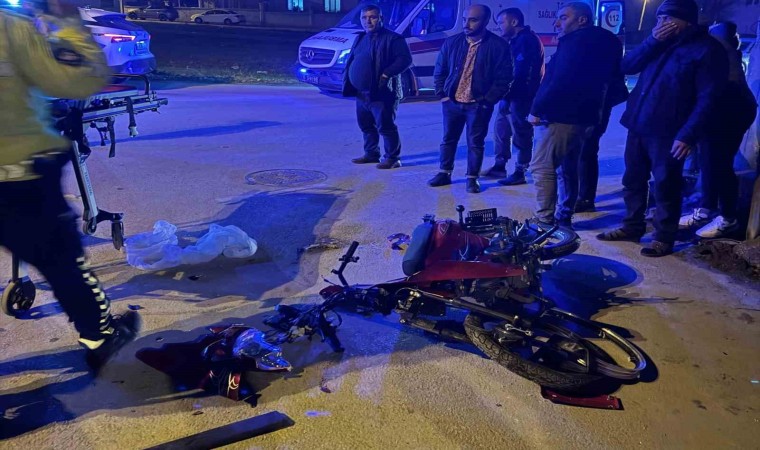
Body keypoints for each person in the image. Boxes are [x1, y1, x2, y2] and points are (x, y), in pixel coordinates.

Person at [0, 0, 141, 372]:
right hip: (18, 176)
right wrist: (66, 21)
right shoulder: (9, 28)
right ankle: (101, 336)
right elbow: (78, 80)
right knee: (62, 259)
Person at [596, 0, 728, 257]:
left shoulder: (707, 49)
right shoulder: (658, 43)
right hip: (639, 123)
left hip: (670, 130)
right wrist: (652, 41)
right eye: (659, 19)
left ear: (686, 21)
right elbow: (626, 66)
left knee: (666, 184)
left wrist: (688, 134)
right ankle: (632, 226)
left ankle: (663, 238)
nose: (661, 24)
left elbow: (709, 98)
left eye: (667, 19)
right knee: (632, 179)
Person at [527, 2, 623, 227]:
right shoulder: (609, 42)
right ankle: (564, 214)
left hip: (562, 116)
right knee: (568, 165)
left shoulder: (575, 42)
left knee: (542, 166)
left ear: (582, 20)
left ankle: (544, 220)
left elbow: (559, 80)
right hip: (588, 115)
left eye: (563, 18)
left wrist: (536, 110)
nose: (556, 23)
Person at [679, 21, 757, 238]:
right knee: (709, 161)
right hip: (724, 108)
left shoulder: (720, 52)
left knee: (719, 163)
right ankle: (706, 209)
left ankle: (727, 218)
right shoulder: (720, 49)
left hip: (729, 109)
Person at [429, 4, 512, 193]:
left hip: (478, 105)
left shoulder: (498, 46)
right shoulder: (452, 42)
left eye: (473, 20)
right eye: (465, 19)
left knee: (475, 143)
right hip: (452, 102)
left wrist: (487, 101)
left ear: (485, 21)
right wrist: (442, 95)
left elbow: (504, 78)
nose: (466, 24)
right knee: (448, 139)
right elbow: (440, 70)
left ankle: (472, 178)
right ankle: (444, 173)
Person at [343, 4, 413, 169]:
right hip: (361, 93)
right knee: (366, 126)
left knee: (386, 126)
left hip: (382, 92)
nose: (368, 21)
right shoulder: (361, 37)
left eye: (372, 17)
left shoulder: (393, 39)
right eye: (364, 18)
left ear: (381, 18)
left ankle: (392, 158)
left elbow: (405, 60)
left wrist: (386, 74)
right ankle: (371, 154)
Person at [482, 7, 544, 186]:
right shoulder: (513, 40)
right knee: (501, 131)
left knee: (521, 133)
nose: (499, 26)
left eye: (502, 22)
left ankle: (520, 171)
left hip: (521, 97)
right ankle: (499, 166)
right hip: (508, 96)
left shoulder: (527, 40)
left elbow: (523, 72)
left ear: (514, 22)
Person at [575, 69, 629, 213]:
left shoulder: (603, 55)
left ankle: (585, 198)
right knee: (584, 151)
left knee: (586, 151)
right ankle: (582, 196)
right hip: (593, 102)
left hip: (595, 104)